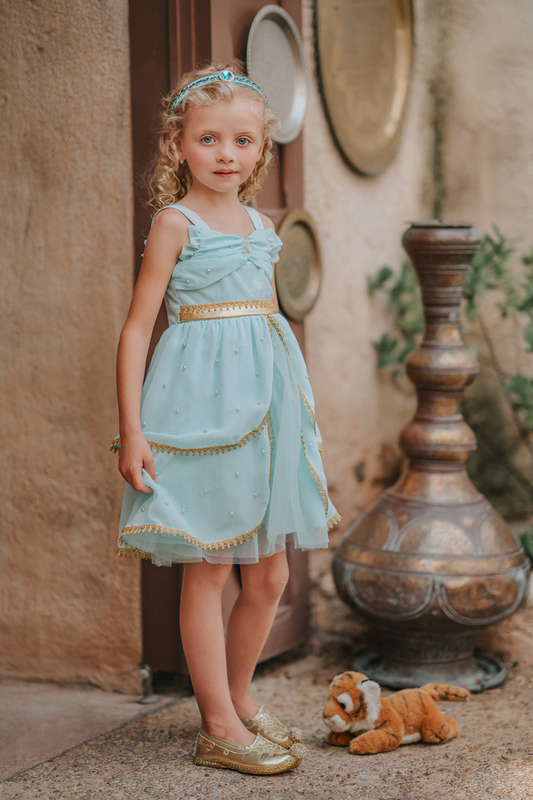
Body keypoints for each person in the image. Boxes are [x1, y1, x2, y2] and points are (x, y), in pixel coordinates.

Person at [113, 64, 340, 775]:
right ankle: (214, 724)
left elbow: (262, 324)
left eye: (242, 140)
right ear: (178, 145)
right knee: (208, 570)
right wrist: (134, 430)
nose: (225, 154)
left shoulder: (261, 225)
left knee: (268, 577)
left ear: (260, 150)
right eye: (208, 139)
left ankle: (239, 697)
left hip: (263, 406)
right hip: (198, 410)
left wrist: (291, 408)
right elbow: (136, 329)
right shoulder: (174, 223)